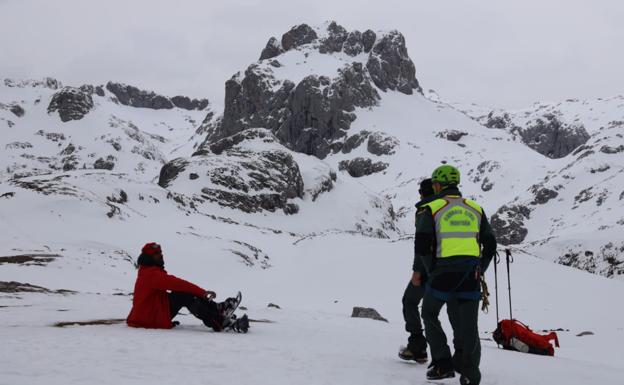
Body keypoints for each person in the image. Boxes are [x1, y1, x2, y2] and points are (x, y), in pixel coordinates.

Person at [416, 165, 497, 385]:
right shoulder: (475, 208)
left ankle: (442, 363)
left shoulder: (431, 208)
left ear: (437, 185)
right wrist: (481, 267)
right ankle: (471, 375)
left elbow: (422, 245)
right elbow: (490, 244)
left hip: (442, 273)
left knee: (430, 313)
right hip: (470, 274)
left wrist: (431, 269)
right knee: (469, 326)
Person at [126, 242, 248, 332]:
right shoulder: (151, 274)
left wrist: (201, 293)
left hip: (152, 313)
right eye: (157, 254)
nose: (161, 255)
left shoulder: (150, 271)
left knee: (184, 293)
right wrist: (203, 292)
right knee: (184, 295)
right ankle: (219, 322)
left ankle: (217, 309)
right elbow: (179, 284)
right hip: (148, 318)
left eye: (161, 252)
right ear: (149, 257)